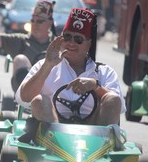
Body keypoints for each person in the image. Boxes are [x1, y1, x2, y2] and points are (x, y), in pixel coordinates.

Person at [15, 8, 126, 142]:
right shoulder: (45, 64)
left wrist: (96, 87)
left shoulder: (104, 72)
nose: (71, 43)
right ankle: (58, 145)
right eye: (67, 37)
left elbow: (116, 106)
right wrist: (48, 65)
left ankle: (100, 150)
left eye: (78, 39)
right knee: (39, 101)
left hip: (93, 136)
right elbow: (24, 97)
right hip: (52, 134)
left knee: (112, 98)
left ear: (88, 44)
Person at [0, 0, 57, 92]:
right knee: (20, 59)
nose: (35, 24)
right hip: (26, 94)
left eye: (40, 21)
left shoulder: (57, 45)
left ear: (50, 23)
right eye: (32, 20)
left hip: (50, 91)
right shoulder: (20, 40)